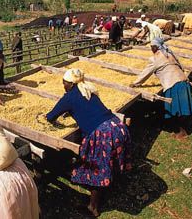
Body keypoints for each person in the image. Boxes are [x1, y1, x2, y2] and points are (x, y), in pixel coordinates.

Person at [45, 69, 132, 217]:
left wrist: (50, 117)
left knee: (96, 168)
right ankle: (109, 186)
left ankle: (93, 207)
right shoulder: (88, 91)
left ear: (71, 84)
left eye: (64, 83)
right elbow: (89, 108)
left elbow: (51, 116)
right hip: (117, 126)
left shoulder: (69, 97)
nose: (63, 86)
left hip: (103, 134)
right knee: (108, 162)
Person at [130, 38, 192, 137]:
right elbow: (180, 66)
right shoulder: (169, 53)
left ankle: (180, 132)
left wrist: (135, 83)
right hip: (183, 81)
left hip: (173, 84)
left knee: (174, 110)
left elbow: (146, 73)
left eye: (152, 47)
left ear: (155, 47)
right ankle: (182, 128)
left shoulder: (156, 58)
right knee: (180, 109)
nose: (151, 49)